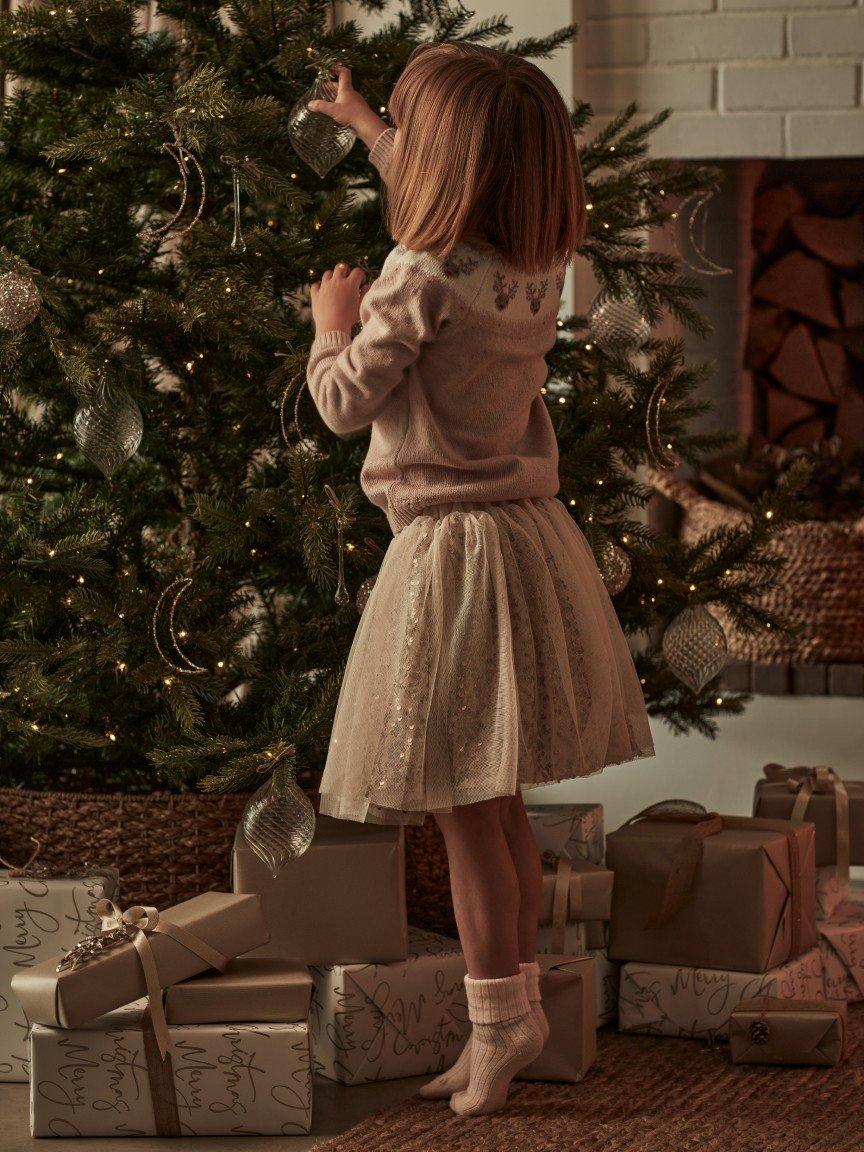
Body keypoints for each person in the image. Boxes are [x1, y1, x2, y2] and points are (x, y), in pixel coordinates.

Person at [304, 45, 654, 1116]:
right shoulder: (534, 262)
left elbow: (344, 404)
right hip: (523, 533)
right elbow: (441, 178)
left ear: (447, 166)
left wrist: (330, 328)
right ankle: (512, 1012)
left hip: (448, 554)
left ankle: (499, 1020)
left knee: (464, 808)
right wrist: (369, 126)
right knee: (500, 807)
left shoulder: (413, 274)